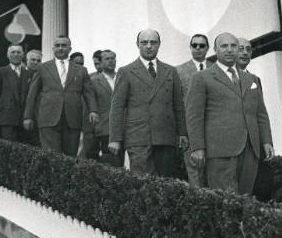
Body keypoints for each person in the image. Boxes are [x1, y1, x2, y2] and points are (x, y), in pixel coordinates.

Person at [187, 32, 274, 194]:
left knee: (246, 198)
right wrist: (197, 147)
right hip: (220, 150)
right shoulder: (201, 78)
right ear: (215, 49)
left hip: (250, 148)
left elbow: (261, 113)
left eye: (234, 46)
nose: (229, 50)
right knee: (224, 201)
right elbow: (194, 116)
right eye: (224, 46)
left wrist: (267, 141)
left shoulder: (252, 80)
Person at [108, 29, 188, 176]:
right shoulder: (126, 71)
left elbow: (178, 105)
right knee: (142, 183)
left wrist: (182, 132)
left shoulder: (170, 71)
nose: (149, 46)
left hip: (165, 136)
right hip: (139, 136)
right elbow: (117, 107)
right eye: (144, 42)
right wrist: (115, 139)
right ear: (137, 45)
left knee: (165, 183)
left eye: (153, 42)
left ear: (159, 45)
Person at [23, 36, 98, 156]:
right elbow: (32, 94)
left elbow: (89, 93)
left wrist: (93, 110)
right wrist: (28, 116)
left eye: (64, 45)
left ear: (70, 48)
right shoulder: (43, 68)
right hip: (48, 118)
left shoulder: (81, 70)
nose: (60, 48)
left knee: (70, 157)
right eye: (57, 46)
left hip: (72, 118)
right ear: (53, 48)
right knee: (51, 156)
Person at [176, 33, 213, 187]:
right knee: (194, 172)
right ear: (190, 48)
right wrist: (181, 132)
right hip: (191, 129)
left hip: (214, 127)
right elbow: (177, 103)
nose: (198, 48)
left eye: (202, 45)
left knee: (214, 171)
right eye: (194, 45)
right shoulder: (179, 71)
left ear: (208, 48)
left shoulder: (216, 68)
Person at [89, 49, 124, 167]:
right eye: (107, 59)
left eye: (113, 58)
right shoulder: (93, 81)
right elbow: (91, 106)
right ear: (100, 62)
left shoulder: (123, 78)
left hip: (126, 128)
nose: (110, 61)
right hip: (105, 129)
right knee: (111, 164)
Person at [0, 44, 31, 141]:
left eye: (19, 52)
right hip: (6, 119)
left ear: (23, 55)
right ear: (8, 55)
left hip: (24, 119)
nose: (16, 55)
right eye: (13, 52)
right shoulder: (0, 72)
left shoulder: (28, 74)